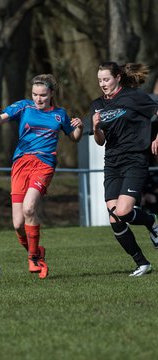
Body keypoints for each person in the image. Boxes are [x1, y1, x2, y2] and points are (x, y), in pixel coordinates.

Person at [0, 74, 83, 279]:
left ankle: (33, 259)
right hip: (21, 164)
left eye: (42, 95)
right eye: (35, 94)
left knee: (30, 207)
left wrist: (80, 128)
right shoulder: (24, 107)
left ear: (51, 94)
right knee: (17, 224)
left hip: (44, 163)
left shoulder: (60, 114)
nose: (38, 99)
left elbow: (74, 137)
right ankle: (36, 252)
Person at [91, 61, 158, 277]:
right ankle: (142, 263)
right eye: (100, 80)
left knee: (123, 211)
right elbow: (100, 142)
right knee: (115, 218)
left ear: (118, 77)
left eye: (106, 79)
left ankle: (151, 221)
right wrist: (95, 127)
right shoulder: (97, 105)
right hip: (111, 163)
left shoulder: (135, 97)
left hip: (135, 159)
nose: (102, 84)